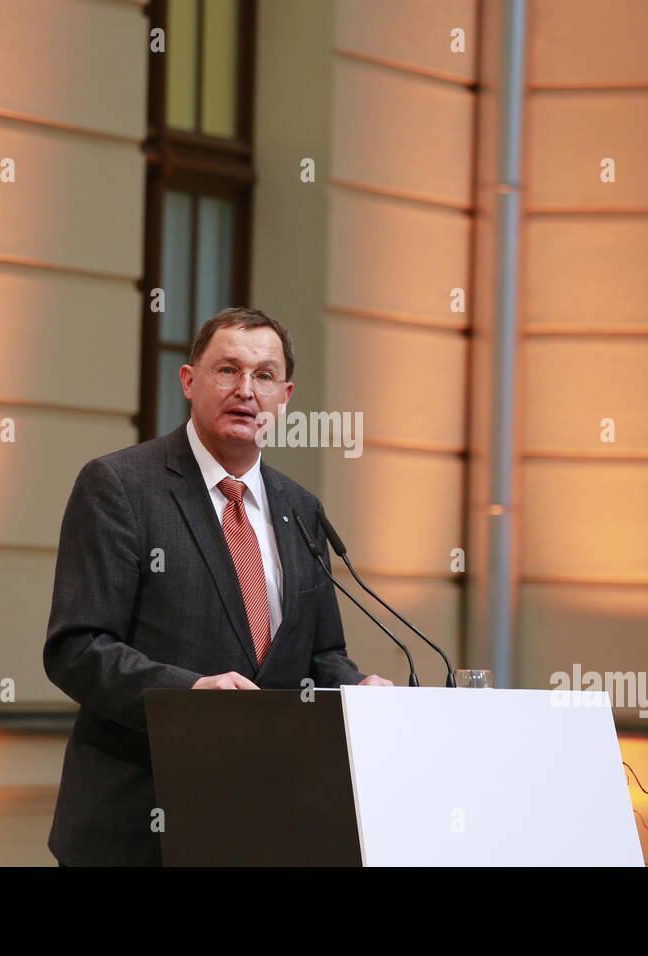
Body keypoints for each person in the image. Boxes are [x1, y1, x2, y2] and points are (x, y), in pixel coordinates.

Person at [43, 306, 393, 866]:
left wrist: (356, 691)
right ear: (189, 380)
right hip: (139, 824)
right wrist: (190, 696)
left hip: (268, 823)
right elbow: (78, 649)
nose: (246, 391)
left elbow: (320, 652)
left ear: (285, 396)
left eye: (264, 376)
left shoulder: (301, 509)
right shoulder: (120, 485)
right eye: (227, 370)